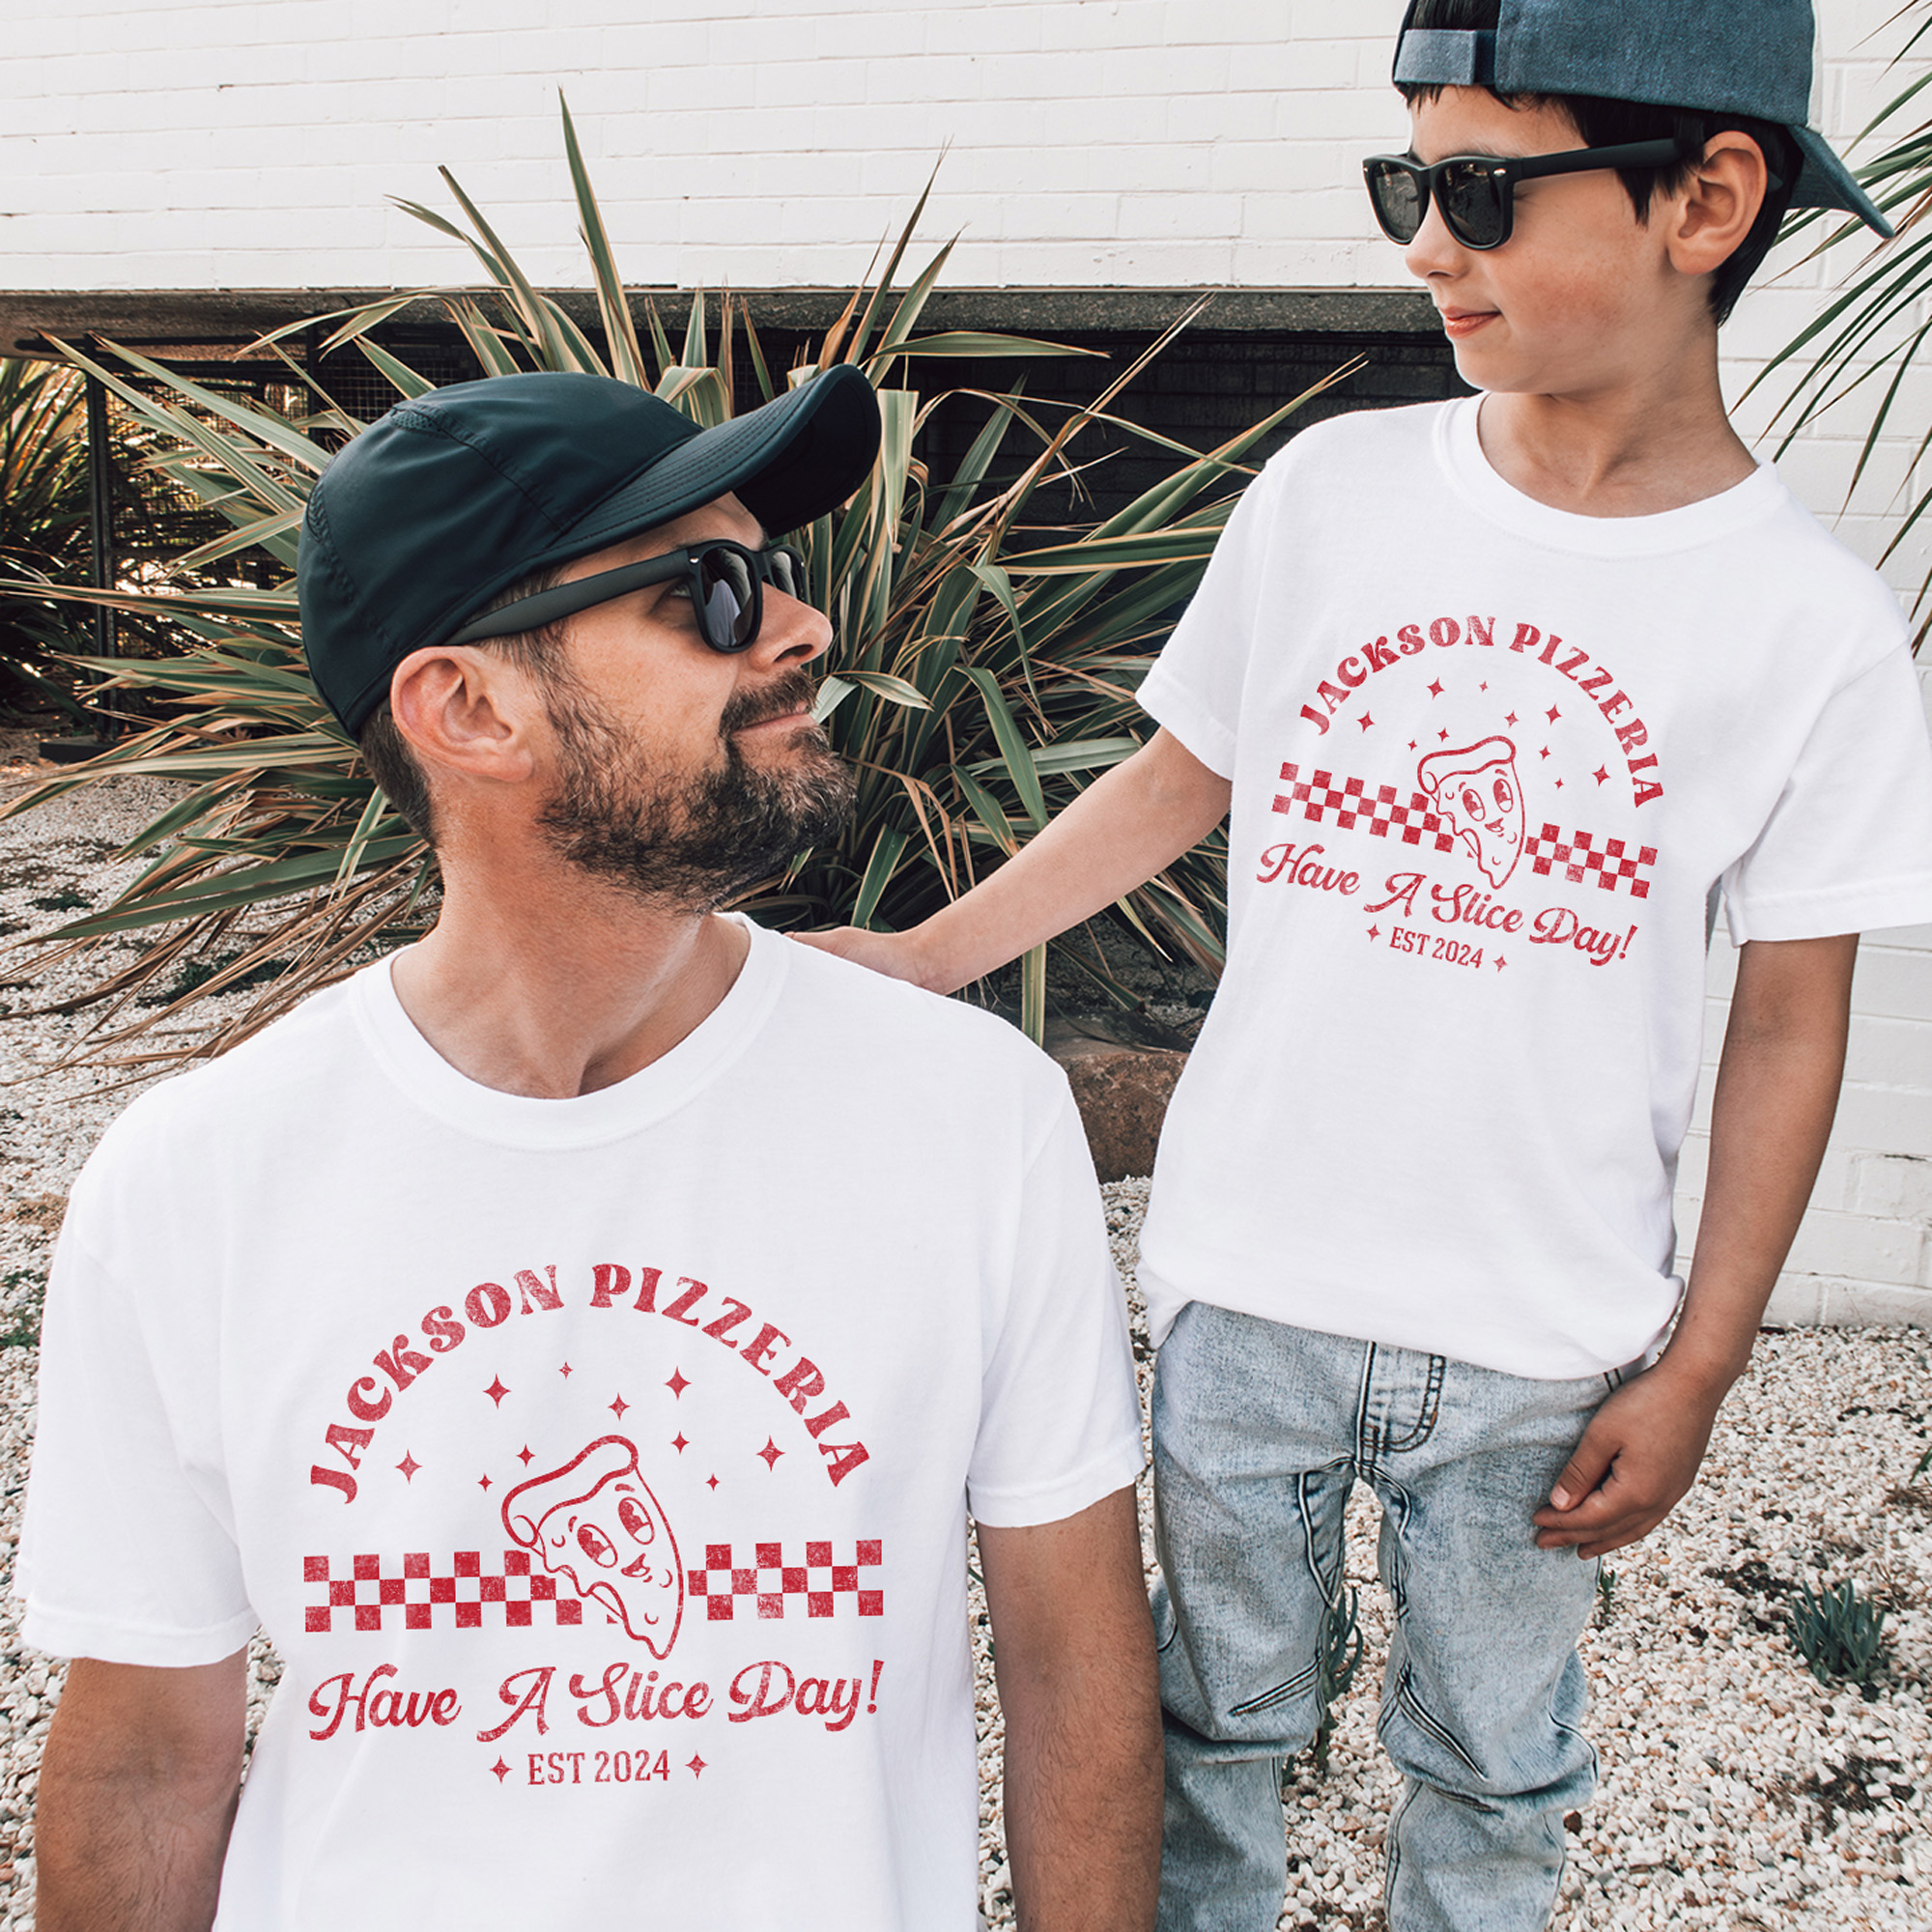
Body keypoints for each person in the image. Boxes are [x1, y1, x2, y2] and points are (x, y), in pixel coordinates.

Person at [799, 3, 1932, 1926]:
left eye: (1478, 188)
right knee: (1218, 1729)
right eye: (1405, 180)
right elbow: (1178, 782)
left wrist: (1706, 1356)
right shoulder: (1335, 495)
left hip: (1539, 1337)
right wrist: (927, 954)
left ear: (1706, 200)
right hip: (1245, 1287)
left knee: (1496, 1762)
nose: (1421, 244)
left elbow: (1785, 1023)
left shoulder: (1806, 631)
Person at [17, 365, 1162, 1931]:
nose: (797, 627)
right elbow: (145, 1760)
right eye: (709, 589)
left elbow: (1075, 1678)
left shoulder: (971, 1117)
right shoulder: (199, 1178)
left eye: (771, 573)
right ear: (469, 708)